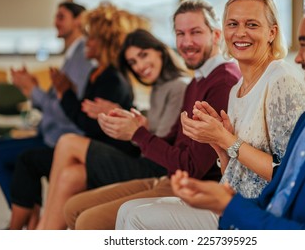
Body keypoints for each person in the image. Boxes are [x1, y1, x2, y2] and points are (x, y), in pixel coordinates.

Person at [171, 0, 305, 230]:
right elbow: (280, 190)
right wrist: (220, 143)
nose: (298, 58)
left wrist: (229, 205)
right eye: (232, 24)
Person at [116, 0, 305, 230]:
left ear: (271, 33)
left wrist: (226, 139)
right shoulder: (236, 89)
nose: (240, 33)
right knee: (128, 209)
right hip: (229, 199)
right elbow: (234, 171)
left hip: (260, 213)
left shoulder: (281, 80)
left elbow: (290, 174)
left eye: (252, 24)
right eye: (233, 24)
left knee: (137, 218)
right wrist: (217, 145)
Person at [58, 0, 242, 230]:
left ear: (215, 35)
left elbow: (193, 167)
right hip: (170, 176)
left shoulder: (222, 82)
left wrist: (139, 134)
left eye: (195, 32)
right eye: (180, 34)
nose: (186, 42)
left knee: (87, 220)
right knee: (72, 207)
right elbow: (176, 140)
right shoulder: (198, 79)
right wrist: (138, 129)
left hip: (191, 184)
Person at [34, 27, 190, 230]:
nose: (140, 66)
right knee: (71, 174)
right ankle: (45, 230)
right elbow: (156, 125)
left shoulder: (178, 86)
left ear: (159, 51)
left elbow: (160, 140)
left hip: (154, 168)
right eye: (133, 62)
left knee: (68, 141)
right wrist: (123, 112)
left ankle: (41, 231)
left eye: (143, 55)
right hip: (144, 159)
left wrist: (134, 128)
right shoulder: (159, 86)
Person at [7, 3, 146, 230]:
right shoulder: (96, 73)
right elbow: (84, 118)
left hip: (113, 152)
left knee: (47, 154)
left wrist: (65, 94)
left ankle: (34, 229)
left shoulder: (113, 78)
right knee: (65, 171)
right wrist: (67, 94)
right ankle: (42, 227)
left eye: (91, 38)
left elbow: (89, 126)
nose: (86, 43)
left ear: (104, 42)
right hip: (96, 146)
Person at [0, 1, 93, 214]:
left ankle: (26, 218)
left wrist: (31, 90)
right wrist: (31, 88)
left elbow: (68, 108)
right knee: (1, 149)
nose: (55, 22)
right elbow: (60, 101)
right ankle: (28, 217)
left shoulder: (82, 56)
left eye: (61, 17)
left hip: (62, 137)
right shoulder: (72, 55)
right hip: (51, 132)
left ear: (79, 21)